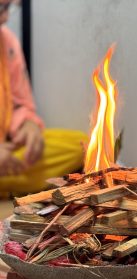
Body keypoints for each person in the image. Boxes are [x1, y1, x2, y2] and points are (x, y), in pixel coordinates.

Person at [0, 0, 88, 195]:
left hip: (8, 150)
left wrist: (28, 125)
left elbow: (20, 104)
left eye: (8, 8)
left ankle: (11, 179)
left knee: (83, 145)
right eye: (0, 8)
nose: (5, 18)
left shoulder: (7, 42)